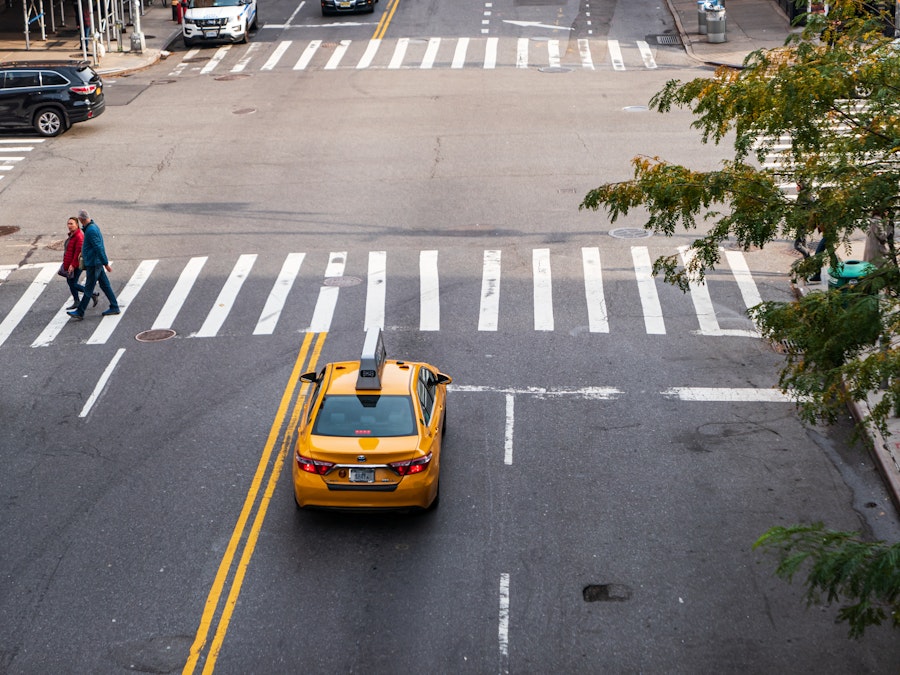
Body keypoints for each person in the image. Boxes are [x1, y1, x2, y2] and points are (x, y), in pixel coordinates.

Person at [67, 210, 120, 320]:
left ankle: (80, 311)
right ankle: (114, 306)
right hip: (95, 262)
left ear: (81, 219)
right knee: (105, 285)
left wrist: (105, 263)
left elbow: (98, 248)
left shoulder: (91, 230)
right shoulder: (92, 227)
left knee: (88, 288)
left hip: (94, 263)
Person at [61, 216, 98, 310]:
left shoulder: (79, 236)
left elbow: (78, 252)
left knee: (72, 283)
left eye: (71, 224)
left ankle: (92, 294)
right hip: (70, 263)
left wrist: (72, 265)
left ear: (77, 225)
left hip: (76, 265)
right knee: (70, 282)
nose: (69, 226)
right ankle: (77, 300)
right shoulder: (73, 235)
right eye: (68, 223)